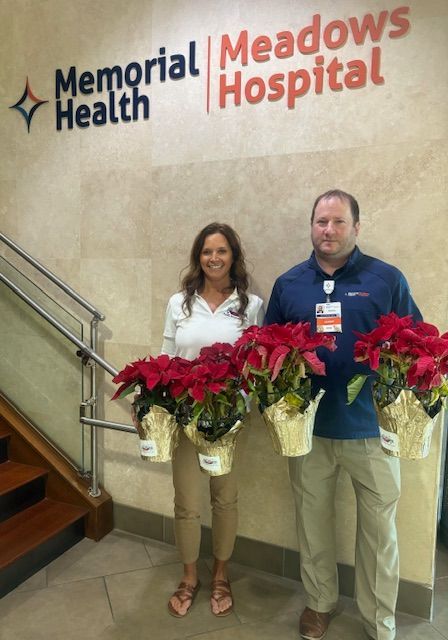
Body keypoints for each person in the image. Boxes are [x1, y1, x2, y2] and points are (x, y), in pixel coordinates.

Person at [265, 190, 421, 640]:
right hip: (307, 430)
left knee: (379, 533)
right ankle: (319, 603)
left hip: (373, 430)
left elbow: (414, 345)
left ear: (356, 226)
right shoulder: (289, 284)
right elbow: (267, 349)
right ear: (311, 226)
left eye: (337, 222)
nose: (327, 231)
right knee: (312, 524)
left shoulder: (386, 279)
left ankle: (379, 619)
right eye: (320, 222)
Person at [161, 222, 264, 618]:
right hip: (185, 417)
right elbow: (166, 357)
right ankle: (189, 576)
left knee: (225, 499)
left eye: (222, 251)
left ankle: (221, 574)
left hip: (229, 422)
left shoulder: (250, 305)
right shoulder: (179, 304)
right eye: (207, 252)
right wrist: (153, 407)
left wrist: (239, 409)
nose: (214, 258)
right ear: (198, 257)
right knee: (186, 501)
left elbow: (257, 365)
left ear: (233, 256)